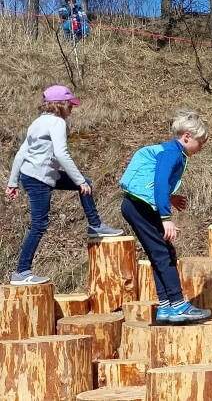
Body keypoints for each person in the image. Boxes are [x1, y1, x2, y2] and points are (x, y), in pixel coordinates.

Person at [5, 86, 123, 285]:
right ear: (61, 104)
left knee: (87, 184)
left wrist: (13, 182)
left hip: (32, 174)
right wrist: (79, 180)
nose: (72, 108)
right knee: (39, 225)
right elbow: (61, 154)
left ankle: (95, 226)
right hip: (39, 178)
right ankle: (22, 271)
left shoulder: (37, 122)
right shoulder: (57, 123)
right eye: (70, 104)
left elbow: (21, 153)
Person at [119, 109, 211, 324]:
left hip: (136, 205)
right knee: (163, 254)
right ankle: (178, 305)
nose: (201, 147)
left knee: (161, 254)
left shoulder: (170, 151)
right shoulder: (172, 153)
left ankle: (166, 307)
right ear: (186, 137)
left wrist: (170, 199)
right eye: (200, 142)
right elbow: (159, 182)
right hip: (140, 208)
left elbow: (152, 183)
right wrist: (166, 217)